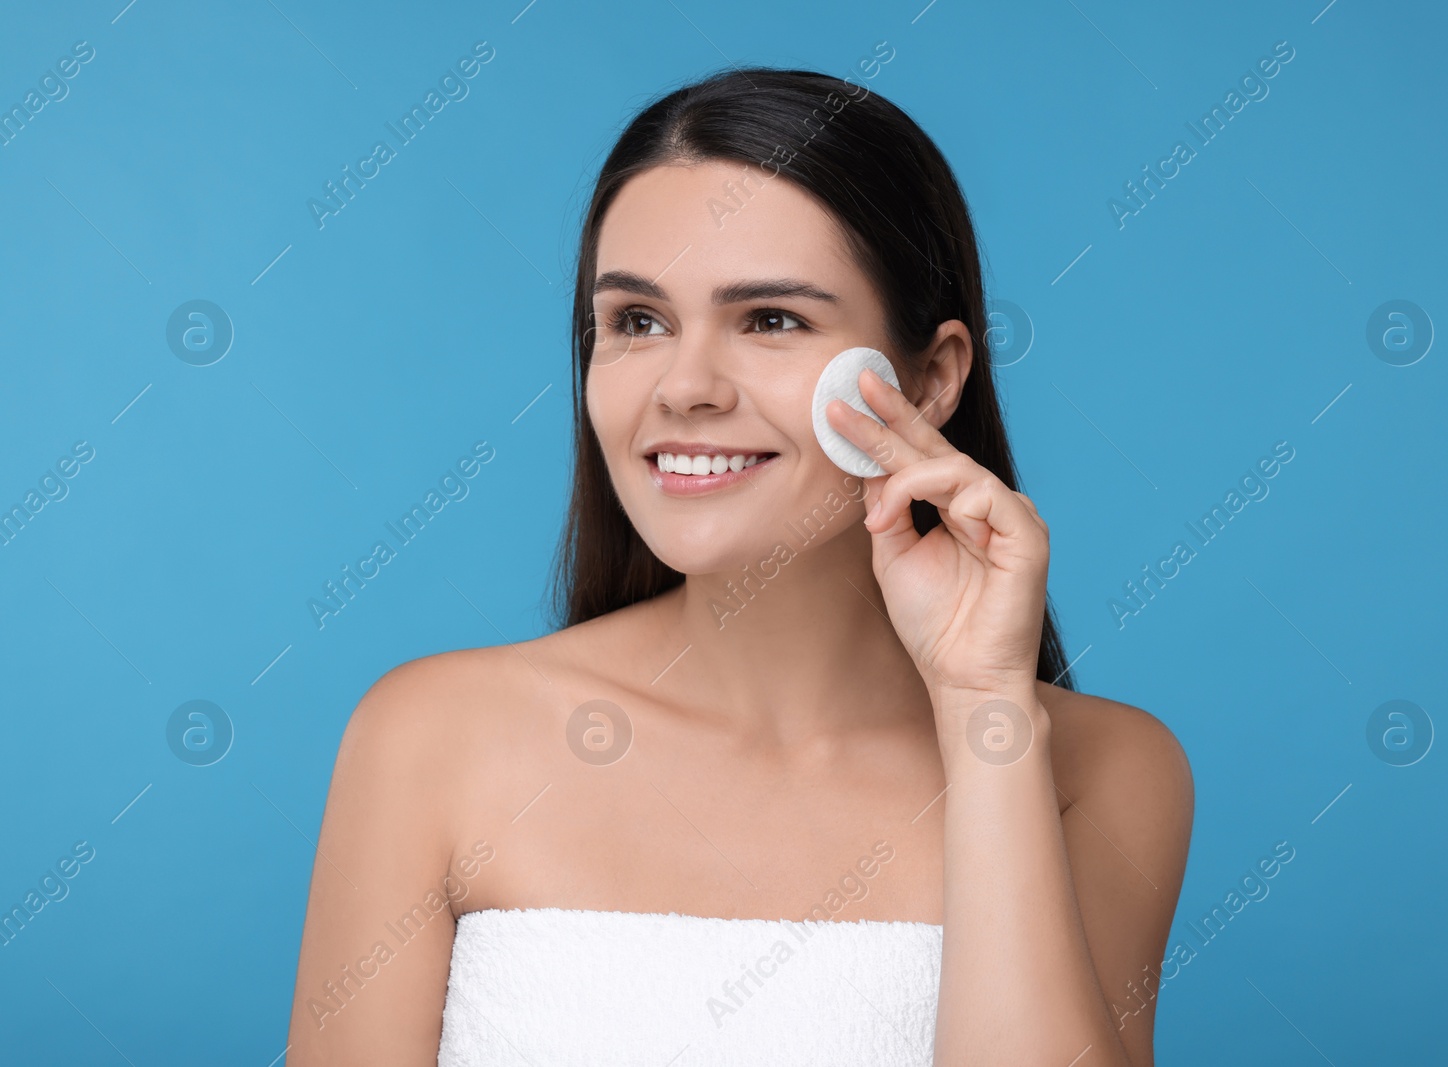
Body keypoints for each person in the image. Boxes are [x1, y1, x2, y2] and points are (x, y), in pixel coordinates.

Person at [287, 65, 1193, 1066]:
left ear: (931, 378)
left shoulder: (1101, 770)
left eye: (770, 319)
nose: (683, 386)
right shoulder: (431, 737)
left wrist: (984, 707)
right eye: (637, 321)